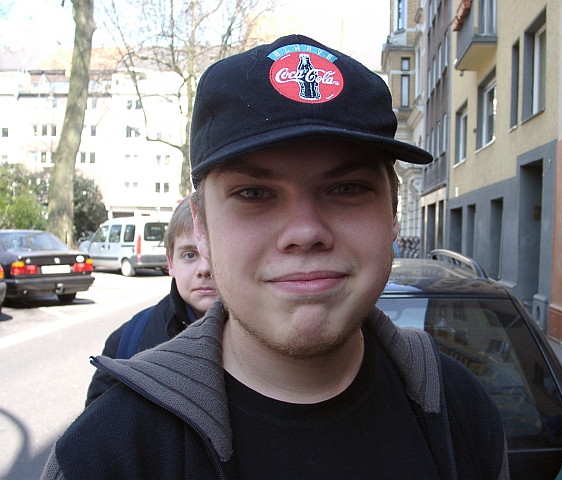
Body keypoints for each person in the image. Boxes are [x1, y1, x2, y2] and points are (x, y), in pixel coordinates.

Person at [42, 34, 509, 479]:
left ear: (392, 214)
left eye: (347, 188)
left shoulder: (461, 411)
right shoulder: (102, 457)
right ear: (201, 229)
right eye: (254, 193)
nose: (305, 232)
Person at [84, 195, 217, 407]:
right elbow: (96, 424)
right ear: (170, 263)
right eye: (190, 255)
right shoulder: (127, 342)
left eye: (214, 253)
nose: (204, 268)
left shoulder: (267, 340)